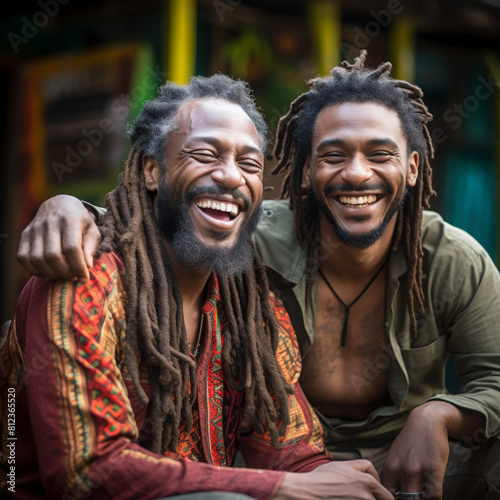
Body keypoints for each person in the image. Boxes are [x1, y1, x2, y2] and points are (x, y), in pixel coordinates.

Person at [13, 52, 500, 498]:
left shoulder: (246, 300)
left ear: (413, 168)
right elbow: (87, 471)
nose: (229, 177)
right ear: (150, 170)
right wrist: (68, 207)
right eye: (205, 154)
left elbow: (293, 450)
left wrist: (334, 481)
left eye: (248, 163)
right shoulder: (87, 279)